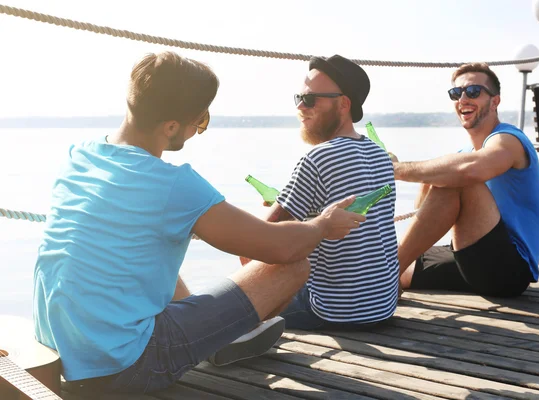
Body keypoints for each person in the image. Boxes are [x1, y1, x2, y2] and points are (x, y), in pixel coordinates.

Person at [32, 51, 366, 394]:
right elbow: (281, 247)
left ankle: (211, 339)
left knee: (152, 248)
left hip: (57, 355)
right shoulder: (172, 184)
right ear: (172, 126)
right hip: (126, 368)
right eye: (200, 120)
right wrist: (324, 224)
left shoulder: (80, 156)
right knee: (293, 266)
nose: (200, 128)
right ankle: (216, 343)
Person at [251, 54, 399, 330]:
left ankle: (240, 329)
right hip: (381, 306)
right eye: (298, 98)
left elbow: (262, 239)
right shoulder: (380, 155)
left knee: (253, 252)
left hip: (331, 310)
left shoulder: (317, 158)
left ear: (343, 104)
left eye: (310, 99)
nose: (300, 108)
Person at [391, 62, 539, 298]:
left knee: (457, 177)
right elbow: (422, 211)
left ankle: (385, 281)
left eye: (473, 91)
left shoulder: (509, 139)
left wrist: (396, 170)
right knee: (395, 260)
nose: (463, 98)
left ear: (495, 101)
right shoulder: (465, 155)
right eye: (456, 93)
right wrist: (428, 178)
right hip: (470, 257)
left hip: (509, 270)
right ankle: (383, 277)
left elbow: (469, 171)